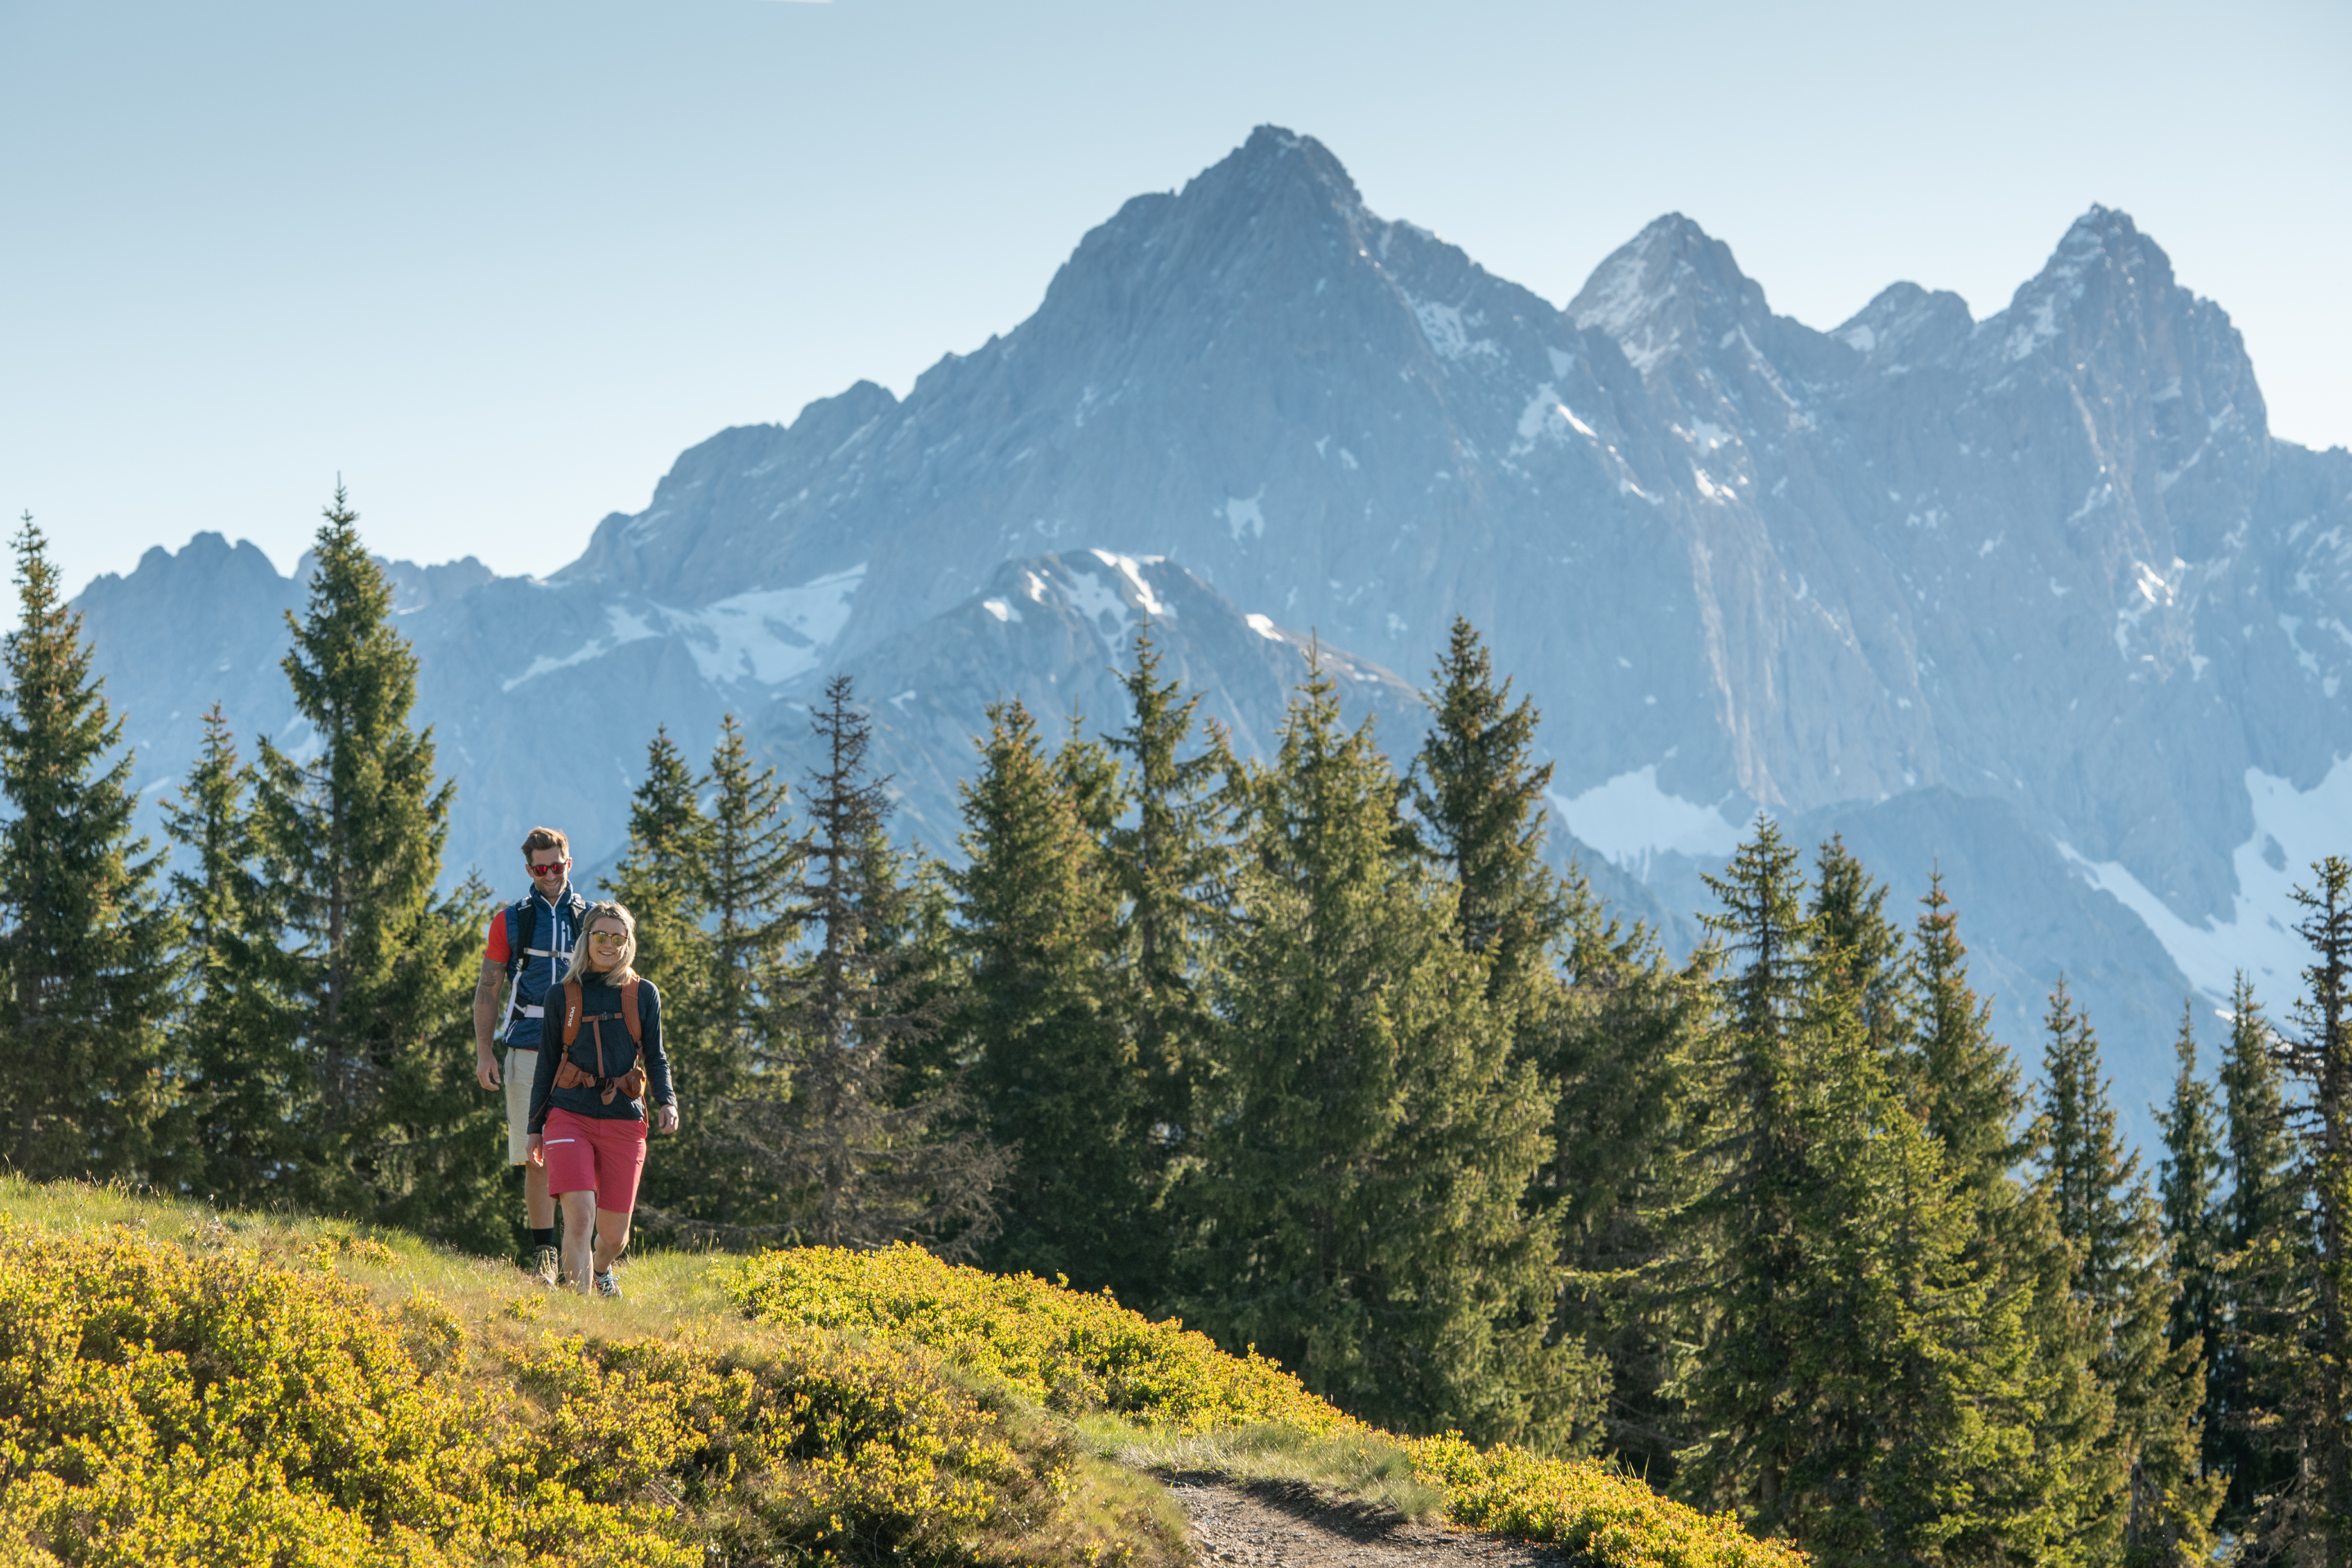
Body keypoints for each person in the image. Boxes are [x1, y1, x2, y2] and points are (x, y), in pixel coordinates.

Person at [525, 900, 678, 1297]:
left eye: (617, 938)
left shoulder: (643, 994)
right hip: (568, 1113)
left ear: (628, 943)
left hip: (624, 1117)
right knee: (579, 1218)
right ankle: (580, 1313)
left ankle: (602, 1268)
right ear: (587, 939)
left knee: (614, 1236)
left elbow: (656, 1056)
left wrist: (667, 1100)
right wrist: (534, 1128)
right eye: (600, 936)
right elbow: (547, 1065)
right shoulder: (561, 995)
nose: (608, 945)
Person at [475, 826, 587, 1283]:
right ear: (529, 870)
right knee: (535, 1155)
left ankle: (582, 1259)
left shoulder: (592, 920)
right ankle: (545, 1256)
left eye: (557, 865)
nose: (550, 875)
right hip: (526, 1048)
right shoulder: (511, 921)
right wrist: (485, 1053)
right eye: (541, 869)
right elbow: (488, 989)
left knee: (585, 1155)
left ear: (569, 863)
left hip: (584, 1054)